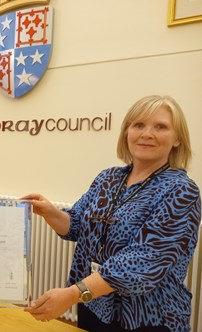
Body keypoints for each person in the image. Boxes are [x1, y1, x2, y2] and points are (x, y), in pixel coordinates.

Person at [23, 95, 201, 332]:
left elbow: (142, 261)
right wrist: (49, 212)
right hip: (94, 304)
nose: (147, 133)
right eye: (138, 125)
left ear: (177, 138)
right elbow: (76, 225)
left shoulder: (181, 191)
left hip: (147, 316)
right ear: (126, 132)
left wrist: (72, 293)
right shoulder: (109, 178)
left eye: (160, 127)